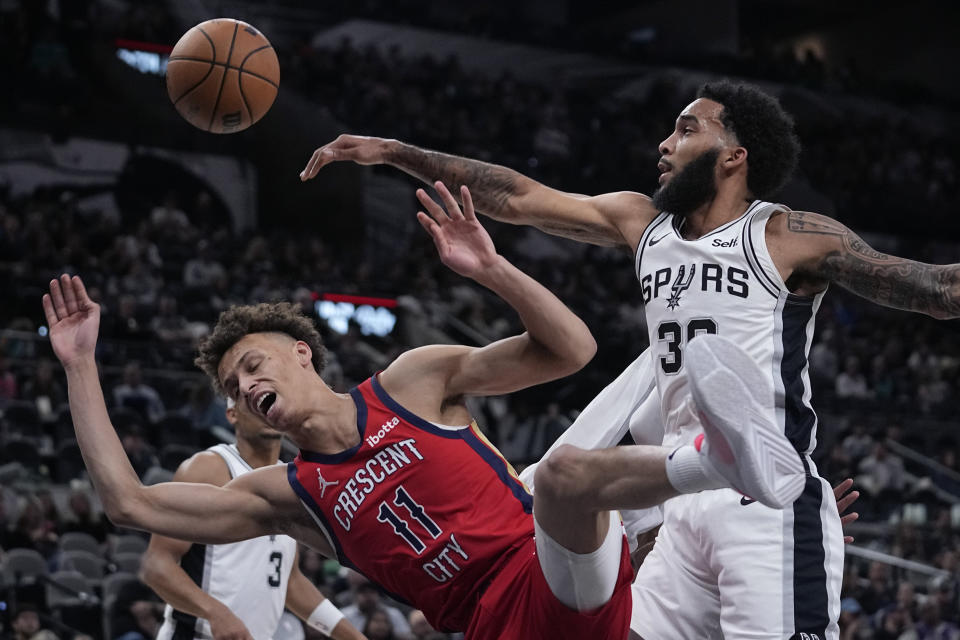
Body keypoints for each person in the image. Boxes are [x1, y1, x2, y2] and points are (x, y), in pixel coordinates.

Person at [301, 80, 960, 639]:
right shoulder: (642, 222)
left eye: (685, 130)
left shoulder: (784, 235)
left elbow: (935, 291)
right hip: (681, 502)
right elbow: (516, 196)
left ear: (735, 154)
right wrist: (393, 152)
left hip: (766, 499)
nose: (664, 146)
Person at [44, 183, 804, 640]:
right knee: (574, 468)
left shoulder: (411, 381)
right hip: (485, 624)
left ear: (301, 354)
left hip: (549, 571)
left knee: (566, 474)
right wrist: (80, 365)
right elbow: (128, 504)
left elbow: (569, 349)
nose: (243, 388)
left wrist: (492, 266)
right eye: (233, 389)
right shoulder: (288, 495)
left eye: (251, 365)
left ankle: (718, 461)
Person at [140, 398, 365, 640]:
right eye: (253, 401)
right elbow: (156, 565)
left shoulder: (290, 484)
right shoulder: (208, 468)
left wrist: (352, 636)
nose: (264, 410)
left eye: (271, 401)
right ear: (232, 414)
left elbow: (290, 583)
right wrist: (215, 613)